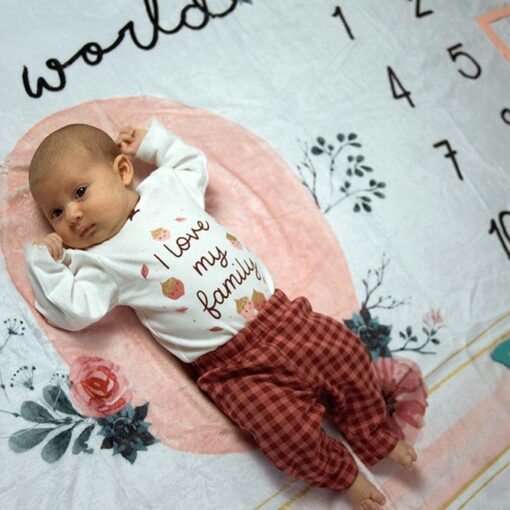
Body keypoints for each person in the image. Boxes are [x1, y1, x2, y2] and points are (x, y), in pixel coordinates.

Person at [25, 119, 418, 510]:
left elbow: (192, 163)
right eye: (55, 212)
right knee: (284, 433)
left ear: (123, 170)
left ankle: (373, 433)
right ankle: (344, 475)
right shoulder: (97, 262)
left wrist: (153, 143)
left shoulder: (165, 188)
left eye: (79, 192)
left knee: (347, 354)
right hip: (233, 369)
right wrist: (45, 264)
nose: (72, 215)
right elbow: (73, 311)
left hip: (284, 317)